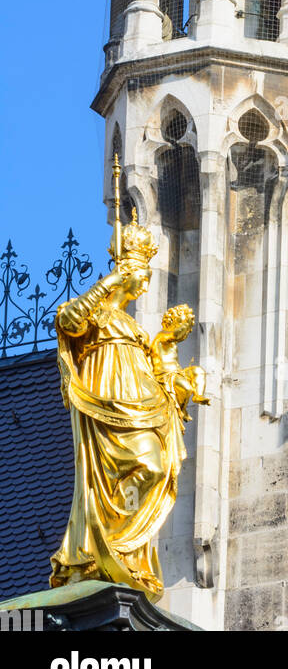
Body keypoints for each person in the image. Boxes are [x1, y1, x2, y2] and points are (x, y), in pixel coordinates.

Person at [50, 215, 202, 600]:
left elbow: (162, 375)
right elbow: (67, 322)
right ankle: (102, 544)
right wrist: (107, 284)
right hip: (104, 399)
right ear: (125, 271)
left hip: (138, 401)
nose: (146, 281)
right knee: (127, 469)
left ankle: (122, 545)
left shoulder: (138, 331)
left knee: (153, 464)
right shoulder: (96, 314)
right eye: (141, 272)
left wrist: (181, 385)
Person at [150, 304, 211, 423]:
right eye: (182, 324)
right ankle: (182, 410)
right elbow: (176, 335)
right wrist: (186, 324)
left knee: (198, 371)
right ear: (172, 322)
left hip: (177, 372)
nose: (188, 331)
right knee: (186, 388)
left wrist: (187, 324)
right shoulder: (162, 336)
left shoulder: (171, 341)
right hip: (165, 374)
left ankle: (198, 395)